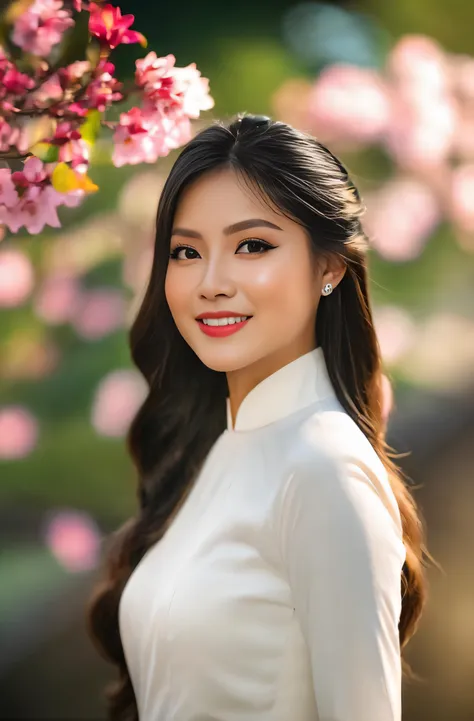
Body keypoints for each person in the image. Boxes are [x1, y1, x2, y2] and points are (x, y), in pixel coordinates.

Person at [88, 114, 429, 721]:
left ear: (329, 267)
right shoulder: (223, 447)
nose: (212, 283)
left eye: (253, 245)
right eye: (186, 252)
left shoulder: (322, 470)